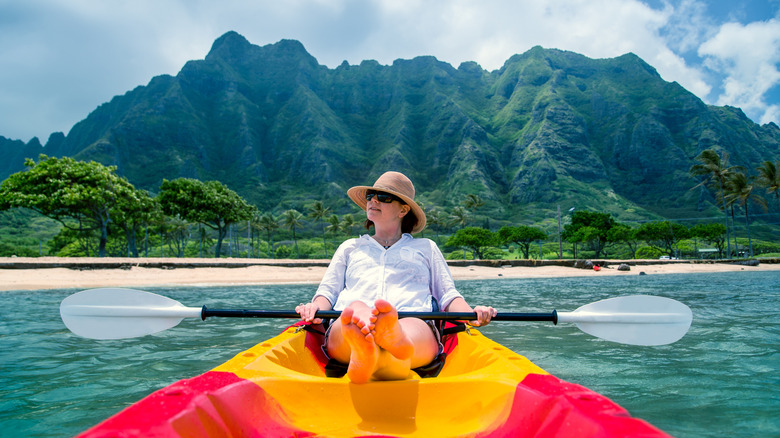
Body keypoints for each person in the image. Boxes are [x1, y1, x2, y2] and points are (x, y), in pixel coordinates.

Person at [296, 171, 497, 384]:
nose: (373, 200)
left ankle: (381, 346)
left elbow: (447, 295)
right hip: (349, 323)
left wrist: (471, 313)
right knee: (354, 310)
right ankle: (375, 348)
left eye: (383, 197)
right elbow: (327, 292)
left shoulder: (426, 248)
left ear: (403, 209)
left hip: (413, 321)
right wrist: (314, 307)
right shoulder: (350, 248)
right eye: (371, 195)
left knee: (409, 326)